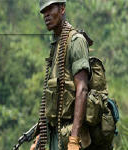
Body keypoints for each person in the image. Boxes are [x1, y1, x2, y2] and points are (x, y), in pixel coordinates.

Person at [31, 0, 114, 150]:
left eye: (50, 9)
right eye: (44, 12)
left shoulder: (76, 41)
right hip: (58, 133)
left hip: (72, 133)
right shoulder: (57, 44)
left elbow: (82, 89)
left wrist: (74, 139)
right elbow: (52, 96)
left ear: (62, 9)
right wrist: (41, 134)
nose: (46, 15)